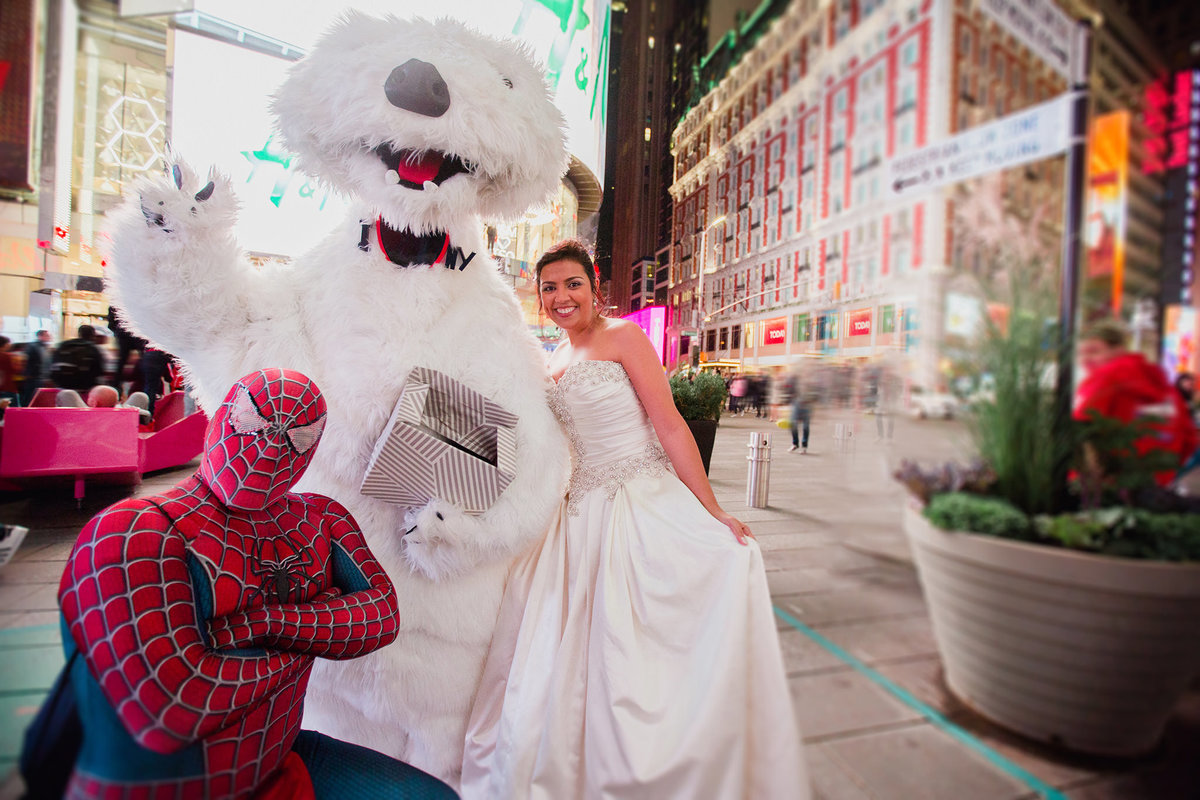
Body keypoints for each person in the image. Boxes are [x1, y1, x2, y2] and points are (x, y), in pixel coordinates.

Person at [462, 239, 807, 798]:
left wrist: (711, 508)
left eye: (573, 284)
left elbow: (669, 424)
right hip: (577, 516)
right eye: (550, 288)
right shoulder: (552, 357)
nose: (561, 296)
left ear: (594, 286)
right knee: (567, 652)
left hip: (639, 499)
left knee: (637, 643)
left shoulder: (625, 337)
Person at [50, 369, 454, 799]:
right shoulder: (132, 529)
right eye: (253, 422)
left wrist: (263, 623)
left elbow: (381, 617)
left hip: (275, 759)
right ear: (224, 415)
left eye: (297, 438)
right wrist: (320, 626)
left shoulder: (320, 518)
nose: (270, 447)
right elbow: (170, 712)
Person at [1075, 320, 1198, 486]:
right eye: (1081, 354)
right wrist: (1164, 474)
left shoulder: (1104, 379)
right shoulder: (1164, 387)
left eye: (1094, 351)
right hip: (1156, 486)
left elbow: (1080, 428)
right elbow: (1189, 440)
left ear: (1118, 350)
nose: (1085, 360)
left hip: (1107, 487)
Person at [50, 324, 104, 392]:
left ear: (79, 334)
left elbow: (53, 364)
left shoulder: (63, 345)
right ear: (92, 335)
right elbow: (99, 370)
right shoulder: (92, 348)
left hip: (62, 386)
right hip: (83, 387)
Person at [20, 329, 53, 406]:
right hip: (34, 378)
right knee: (30, 398)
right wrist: (28, 374)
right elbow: (26, 361)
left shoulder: (46, 348)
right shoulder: (33, 346)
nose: (49, 337)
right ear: (40, 336)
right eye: (47, 335)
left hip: (42, 378)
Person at [0, 337, 18, 406]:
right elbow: (16, 370)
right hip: (8, 389)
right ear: (5, 345)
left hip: (4, 389)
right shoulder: (9, 357)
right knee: (12, 411)